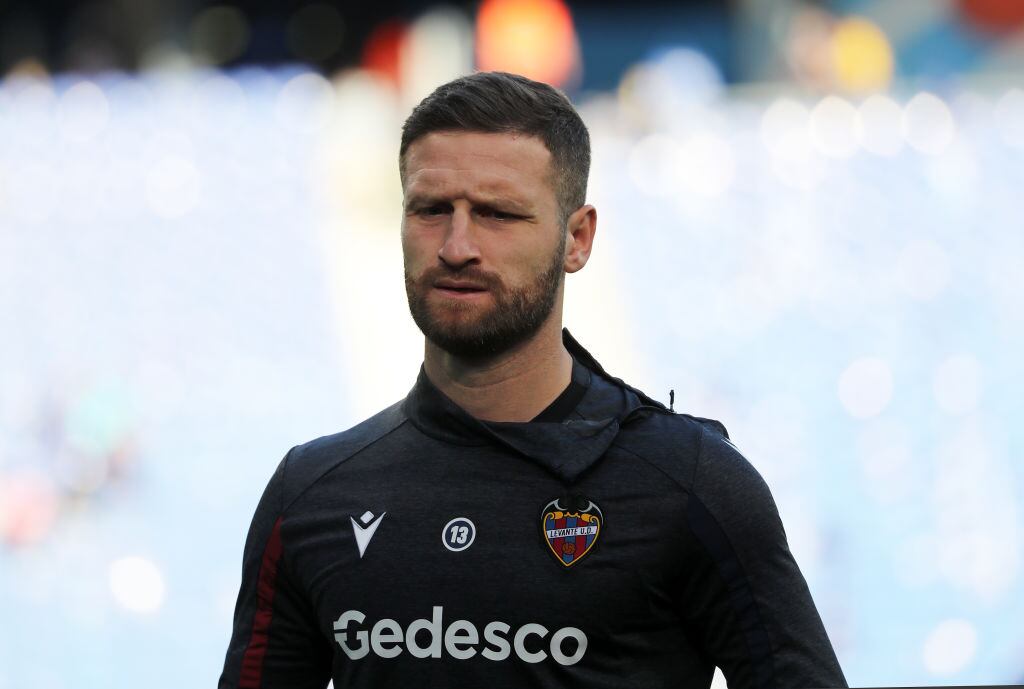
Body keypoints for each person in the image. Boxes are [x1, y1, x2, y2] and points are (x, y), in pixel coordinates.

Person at [218, 71, 847, 689]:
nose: (456, 246)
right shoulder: (311, 493)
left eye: (497, 214)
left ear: (577, 239)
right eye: (432, 209)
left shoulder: (691, 484)